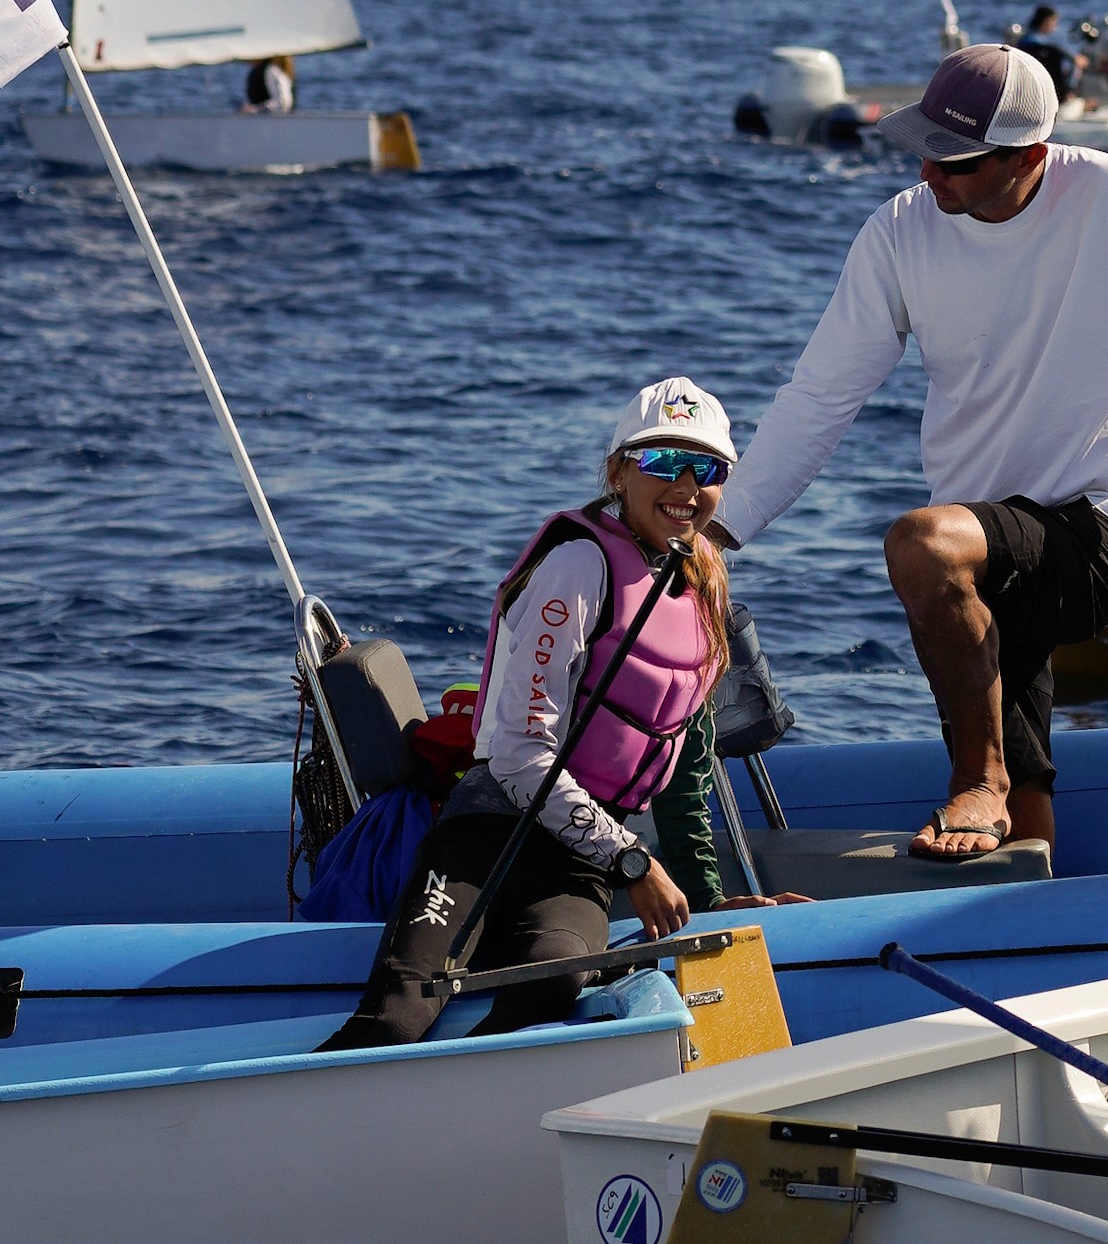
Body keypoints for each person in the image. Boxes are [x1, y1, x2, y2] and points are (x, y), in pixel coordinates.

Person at [711, 44, 1108, 862]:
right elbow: (819, 396)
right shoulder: (899, 229)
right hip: (980, 547)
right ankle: (1024, 878)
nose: (929, 175)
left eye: (955, 161)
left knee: (920, 545)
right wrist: (718, 532)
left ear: (1028, 156)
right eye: (923, 150)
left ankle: (978, 780)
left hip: (1095, 528)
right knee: (1015, 760)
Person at [322, 378, 792, 1050]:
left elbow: (686, 762)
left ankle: (483, 1105)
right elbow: (518, 755)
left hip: (577, 864)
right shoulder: (577, 565)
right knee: (400, 1013)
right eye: (663, 461)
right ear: (618, 472)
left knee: (552, 984)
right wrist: (632, 861)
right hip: (488, 833)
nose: (686, 486)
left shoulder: (703, 582)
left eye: (707, 468)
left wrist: (706, 898)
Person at [1016, 3, 1081, 101]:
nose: (1055, 27)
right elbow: (1054, 50)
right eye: (1054, 23)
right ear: (1046, 22)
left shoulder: (1024, 39)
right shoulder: (1038, 43)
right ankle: (1067, 96)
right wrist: (1073, 59)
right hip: (1046, 86)